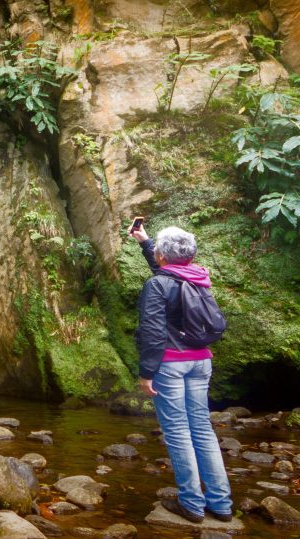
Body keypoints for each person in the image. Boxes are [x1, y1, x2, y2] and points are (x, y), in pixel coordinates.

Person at [130, 224, 233, 523]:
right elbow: (169, 272)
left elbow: (152, 330)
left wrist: (147, 372)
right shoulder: (198, 276)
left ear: (163, 256)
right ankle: (221, 504)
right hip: (202, 362)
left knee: (177, 432)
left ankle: (191, 503)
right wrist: (146, 242)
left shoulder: (158, 285)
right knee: (202, 429)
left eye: (158, 253)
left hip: (171, 365)